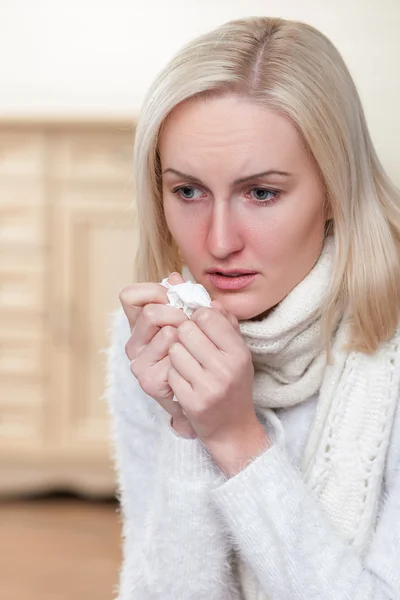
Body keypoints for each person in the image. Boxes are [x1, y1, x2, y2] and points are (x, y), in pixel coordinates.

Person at [106, 16, 400, 600]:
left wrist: (237, 438)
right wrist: (188, 429)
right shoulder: (148, 337)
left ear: (336, 190)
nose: (217, 242)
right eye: (187, 191)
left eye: (261, 192)